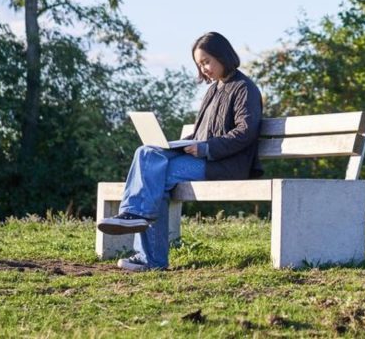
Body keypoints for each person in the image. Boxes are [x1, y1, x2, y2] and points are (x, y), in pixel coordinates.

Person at [97, 31, 264, 271]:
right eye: (199, 64)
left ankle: (148, 253)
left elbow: (245, 132)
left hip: (225, 164)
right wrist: (176, 145)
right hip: (204, 157)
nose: (203, 68)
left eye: (206, 61)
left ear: (222, 56)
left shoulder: (244, 88)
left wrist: (206, 148)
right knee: (146, 151)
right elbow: (201, 133)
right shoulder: (213, 90)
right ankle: (135, 220)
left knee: (158, 175)